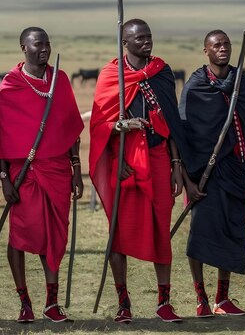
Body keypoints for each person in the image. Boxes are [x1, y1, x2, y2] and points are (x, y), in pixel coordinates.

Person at [90, 19, 184, 323]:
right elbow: (98, 126)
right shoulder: (110, 75)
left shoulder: (162, 71)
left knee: (161, 232)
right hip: (124, 162)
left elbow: (171, 124)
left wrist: (176, 166)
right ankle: (123, 303)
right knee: (119, 234)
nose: (146, 42)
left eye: (149, 36)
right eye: (139, 38)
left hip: (158, 159)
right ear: (125, 43)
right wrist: (121, 126)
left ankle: (164, 302)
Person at [0, 27, 83, 323]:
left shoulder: (58, 79)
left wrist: (76, 169)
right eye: (38, 44)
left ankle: (51, 303)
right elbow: (5, 137)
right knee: (20, 236)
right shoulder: (11, 84)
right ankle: (25, 302)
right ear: (24, 47)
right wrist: (5, 179)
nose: (44, 48)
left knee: (55, 237)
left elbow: (71, 127)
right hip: (25, 174)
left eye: (47, 43)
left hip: (58, 170)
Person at [177, 29, 245, 317]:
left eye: (226, 44)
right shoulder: (196, 85)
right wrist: (187, 180)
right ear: (205, 51)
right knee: (200, 236)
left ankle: (222, 298)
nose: (223, 48)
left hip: (234, 169)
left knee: (231, 232)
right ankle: (201, 299)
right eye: (216, 45)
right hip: (204, 175)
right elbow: (183, 133)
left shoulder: (240, 82)